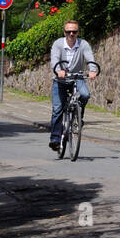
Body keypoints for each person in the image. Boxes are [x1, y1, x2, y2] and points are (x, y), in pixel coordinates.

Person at [48, 20, 97, 153]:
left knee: (85, 94)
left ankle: (78, 116)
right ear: (64, 32)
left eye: (74, 31)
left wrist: (93, 70)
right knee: (57, 109)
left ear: (77, 32)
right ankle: (55, 140)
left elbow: (90, 58)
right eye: (68, 31)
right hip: (60, 80)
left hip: (77, 77)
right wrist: (59, 70)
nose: (71, 34)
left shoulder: (83, 44)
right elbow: (54, 59)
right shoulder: (58, 44)